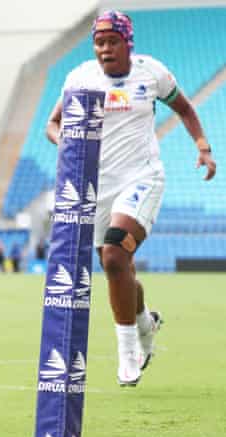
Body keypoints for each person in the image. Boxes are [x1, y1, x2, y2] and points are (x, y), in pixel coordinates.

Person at [45, 10, 216, 386]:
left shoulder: (151, 73)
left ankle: (127, 355)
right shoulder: (79, 78)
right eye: (99, 42)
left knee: (114, 253)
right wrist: (68, 144)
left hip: (142, 178)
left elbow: (184, 109)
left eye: (112, 41)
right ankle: (144, 323)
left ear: (127, 43)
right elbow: (52, 124)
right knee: (118, 268)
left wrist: (202, 146)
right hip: (95, 188)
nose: (105, 49)